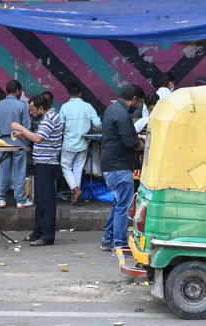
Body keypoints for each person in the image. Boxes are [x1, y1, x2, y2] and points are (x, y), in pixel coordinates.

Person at [11, 95, 63, 246]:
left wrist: (21, 128)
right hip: (42, 163)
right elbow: (40, 135)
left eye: (33, 110)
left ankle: (47, 236)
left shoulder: (49, 118)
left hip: (47, 164)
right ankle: (38, 232)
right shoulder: (48, 117)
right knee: (40, 201)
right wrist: (22, 134)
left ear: (41, 108)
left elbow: (38, 139)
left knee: (46, 201)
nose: (32, 113)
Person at [100, 84, 145, 252]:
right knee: (123, 206)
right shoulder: (122, 114)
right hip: (119, 166)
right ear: (133, 99)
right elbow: (130, 143)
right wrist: (147, 144)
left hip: (111, 165)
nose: (138, 106)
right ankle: (119, 243)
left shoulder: (112, 109)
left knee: (118, 203)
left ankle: (107, 239)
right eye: (139, 102)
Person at [0, 79, 33, 209]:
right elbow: (27, 127)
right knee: (19, 171)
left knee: (3, 171)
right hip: (19, 142)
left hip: (3, 142)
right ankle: (20, 200)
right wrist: (26, 141)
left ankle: (1, 199)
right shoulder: (22, 106)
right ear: (17, 91)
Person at [59, 83, 101, 205]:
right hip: (83, 143)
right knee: (78, 168)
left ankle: (75, 190)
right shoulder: (88, 107)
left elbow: (60, 126)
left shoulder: (65, 107)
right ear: (80, 94)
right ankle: (75, 195)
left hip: (69, 144)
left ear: (68, 95)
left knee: (66, 167)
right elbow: (98, 124)